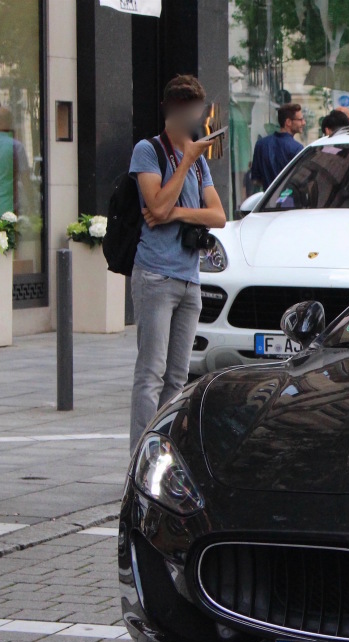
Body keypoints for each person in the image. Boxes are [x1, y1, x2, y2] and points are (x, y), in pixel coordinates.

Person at [128, 75, 226, 448]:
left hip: (190, 278)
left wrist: (176, 213)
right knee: (150, 374)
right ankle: (140, 456)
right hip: (155, 275)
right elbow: (155, 205)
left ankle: (165, 452)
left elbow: (218, 216)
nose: (196, 120)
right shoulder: (149, 151)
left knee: (177, 377)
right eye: (191, 112)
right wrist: (184, 162)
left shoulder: (200, 159)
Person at [249, 102, 305, 191]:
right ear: (288, 122)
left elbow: (256, 180)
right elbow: (301, 181)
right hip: (290, 201)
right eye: (300, 119)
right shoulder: (297, 148)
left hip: (268, 202)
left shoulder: (261, 144)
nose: (303, 123)